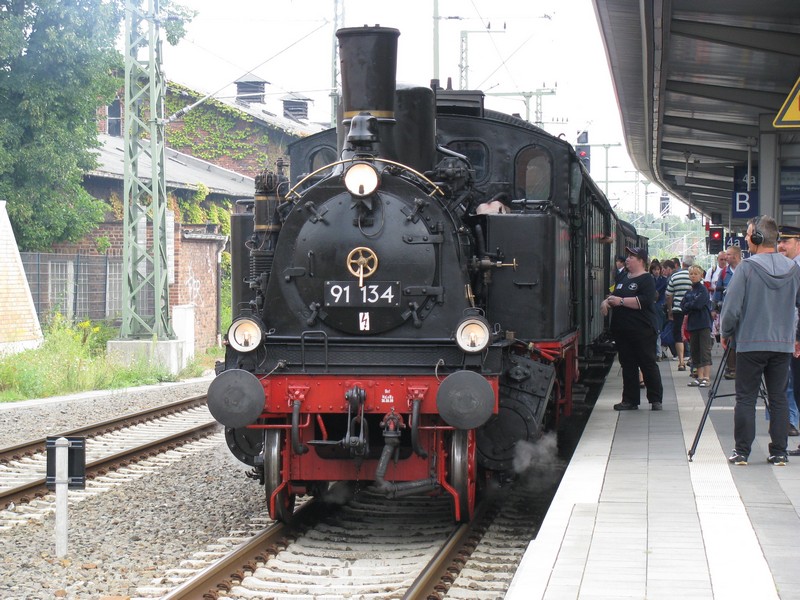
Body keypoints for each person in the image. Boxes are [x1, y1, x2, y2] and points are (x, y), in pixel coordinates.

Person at [720, 215, 800, 466]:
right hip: (782, 344)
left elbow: (731, 308)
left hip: (751, 343)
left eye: (747, 234)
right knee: (778, 398)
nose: (745, 238)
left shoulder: (747, 268)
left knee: (746, 398)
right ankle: (779, 452)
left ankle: (742, 451)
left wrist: (726, 332)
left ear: (757, 237)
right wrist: (796, 337)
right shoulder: (793, 269)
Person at [601, 246, 663, 411]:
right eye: (627, 256)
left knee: (647, 363)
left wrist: (621, 302)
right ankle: (630, 400)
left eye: (631, 257)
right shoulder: (623, 277)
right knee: (627, 364)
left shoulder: (647, 279)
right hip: (623, 330)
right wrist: (606, 302)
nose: (627, 259)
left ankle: (655, 399)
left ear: (641, 261)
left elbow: (645, 301)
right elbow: (614, 294)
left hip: (642, 330)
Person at [778, 225, 800, 444]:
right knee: (789, 381)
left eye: (786, 241)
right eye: (780, 241)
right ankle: (788, 421)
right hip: (787, 334)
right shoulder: (788, 268)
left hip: (795, 336)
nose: (781, 245)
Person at [681, 265, 713, 387]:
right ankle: (699, 376)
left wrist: (689, 305)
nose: (693, 276)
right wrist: (690, 304)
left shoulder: (703, 290)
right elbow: (682, 306)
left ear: (701, 275)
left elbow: (698, 304)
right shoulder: (689, 291)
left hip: (703, 323)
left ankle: (706, 377)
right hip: (692, 324)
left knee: (705, 350)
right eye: (691, 274)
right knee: (695, 351)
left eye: (696, 274)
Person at [666, 256, 693, 371]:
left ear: (682, 264)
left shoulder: (675, 276)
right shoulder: (695, 276)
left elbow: (669, 295)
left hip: (678, 310)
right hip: (692, 310)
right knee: (691, 334)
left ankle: (681, 362)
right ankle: (692, 358)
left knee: (678, 334)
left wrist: (670, 310)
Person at [720, 245, 743, 379]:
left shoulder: (746, 269)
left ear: (735, 256)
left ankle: (739, 367)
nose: (725, 257)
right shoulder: (724, 272)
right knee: (728, 338)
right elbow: (718, 290)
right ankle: (731, 367)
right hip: (727, 309)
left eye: (728, 254)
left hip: (742, 312)